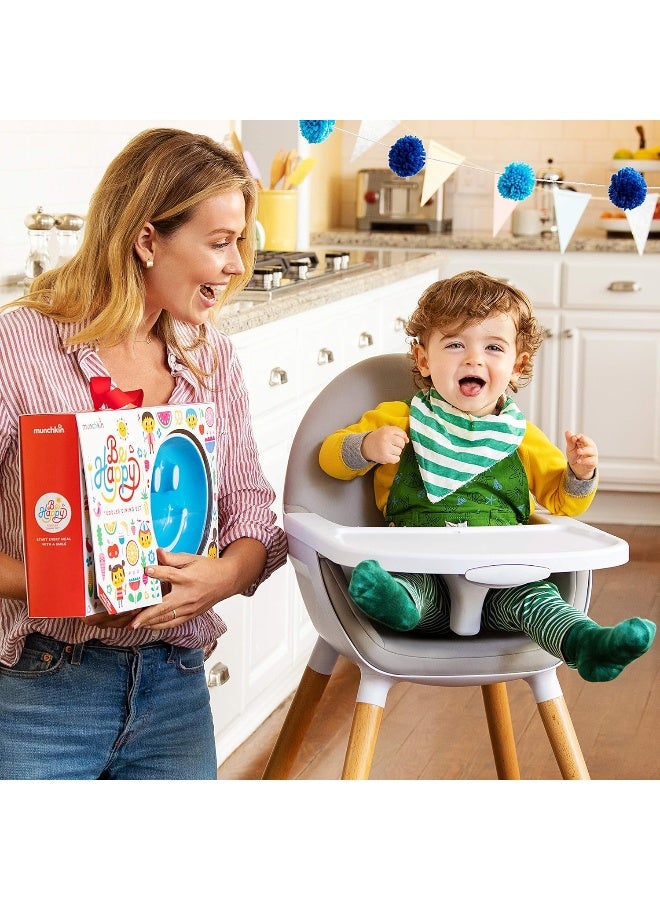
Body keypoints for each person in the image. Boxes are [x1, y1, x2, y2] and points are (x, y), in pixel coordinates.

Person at [0, 127, 288, 779]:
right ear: (147, 238)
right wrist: (71, 584)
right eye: (219, 243)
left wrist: (227, 575)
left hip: (175, 685)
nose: (237, 264)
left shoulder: (211, 355)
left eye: (240, 242)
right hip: (42, 690)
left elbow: (249, 510)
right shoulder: (18, 346)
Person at [319, 270, 655, 683]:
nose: (473, 359)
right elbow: (329, 459)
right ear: (424, 359)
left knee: (538, 598)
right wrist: (367, 446)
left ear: (518, 365)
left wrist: (580, 473)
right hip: (422, 569)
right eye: (455, 344)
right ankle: (398, 606)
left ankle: (586, 644)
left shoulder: (521, 437)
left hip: (501, 578)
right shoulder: (400, 418)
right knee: (406, 584)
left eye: (493, 347)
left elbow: (561, 501)